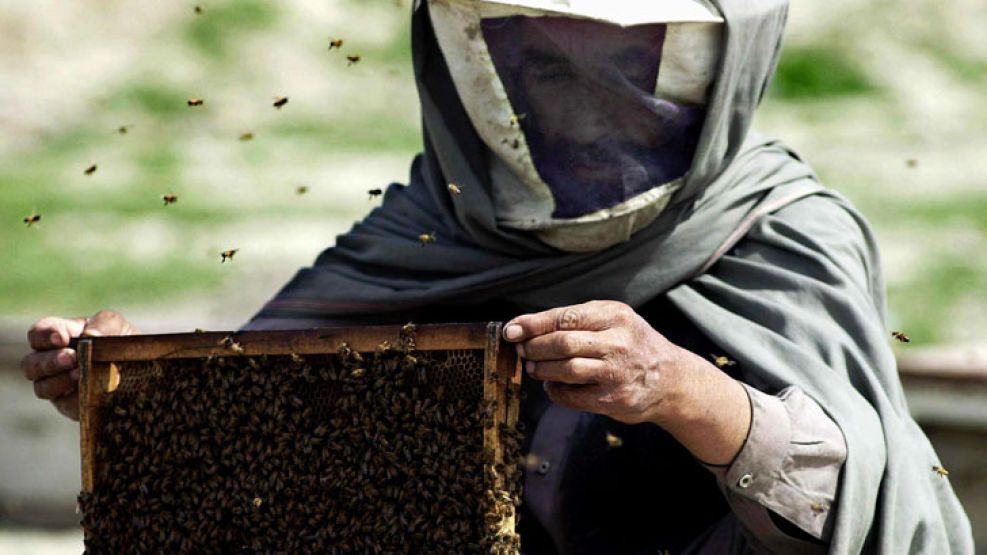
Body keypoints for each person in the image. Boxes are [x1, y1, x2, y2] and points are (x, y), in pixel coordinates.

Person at [21, 0, 973, 553]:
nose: (578, 92)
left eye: (620, 62)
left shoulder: (786, 231)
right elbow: (270, 427)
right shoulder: (430, 223)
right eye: (537, 58)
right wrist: (132, 389)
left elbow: (887, 509)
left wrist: (687, 391)